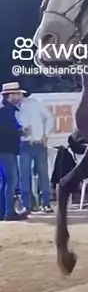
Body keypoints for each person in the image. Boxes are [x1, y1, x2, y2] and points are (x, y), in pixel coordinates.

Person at [17, 92, 54, 213]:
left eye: (16, 94)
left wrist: (46, 135)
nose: (15, 96)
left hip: (38, 143)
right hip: (23, 144)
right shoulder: (13, 109)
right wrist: (20, 132)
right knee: (24, 175)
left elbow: (49, 117)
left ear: (21, 94)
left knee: (43, 174)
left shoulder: (34, 103)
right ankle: (27, 205)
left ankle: (45, 203)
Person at [0, 82, 27, 221]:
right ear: (10, 95)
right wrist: (20, 132)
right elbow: (6, 131)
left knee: (6, 181)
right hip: (6, 150)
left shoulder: (5, 109)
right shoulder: (7, 111)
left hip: (4, 150)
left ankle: (4, 211)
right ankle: (9, 212)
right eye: (17, 94)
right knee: (12, 180)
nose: (19, 96)